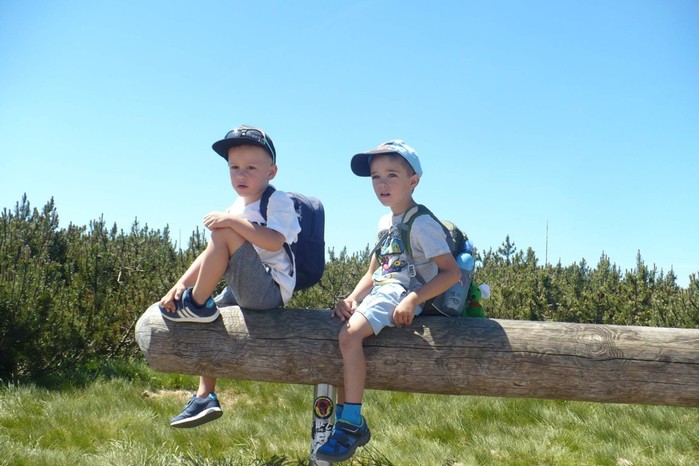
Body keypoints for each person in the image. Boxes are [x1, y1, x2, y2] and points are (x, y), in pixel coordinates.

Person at [316, 140, 460, 462]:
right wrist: (351, 299)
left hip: (401, 293)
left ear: (413, 181)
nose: (382, 183)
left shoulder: (422, 224)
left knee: (349, 336)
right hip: (384, 290)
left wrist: (413, 299)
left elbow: (451, 273)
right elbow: (374, 272)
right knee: (343, 333)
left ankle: (351, 423)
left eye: (392, 175)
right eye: (375, 177)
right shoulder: (385, 223)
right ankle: (345, 417)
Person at [159, 124, 301, 428]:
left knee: (223, 232)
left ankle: (196, 304)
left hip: (270, 289)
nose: (241, 174)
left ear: (271, 172)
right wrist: (180, 284)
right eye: (234, 167)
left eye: (251, 168)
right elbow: (210, 254)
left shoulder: (277, 200)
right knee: (211, 320)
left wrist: (232, 222)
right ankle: (204, 396)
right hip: (243, 287)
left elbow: (274, 241)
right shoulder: (236, 207)